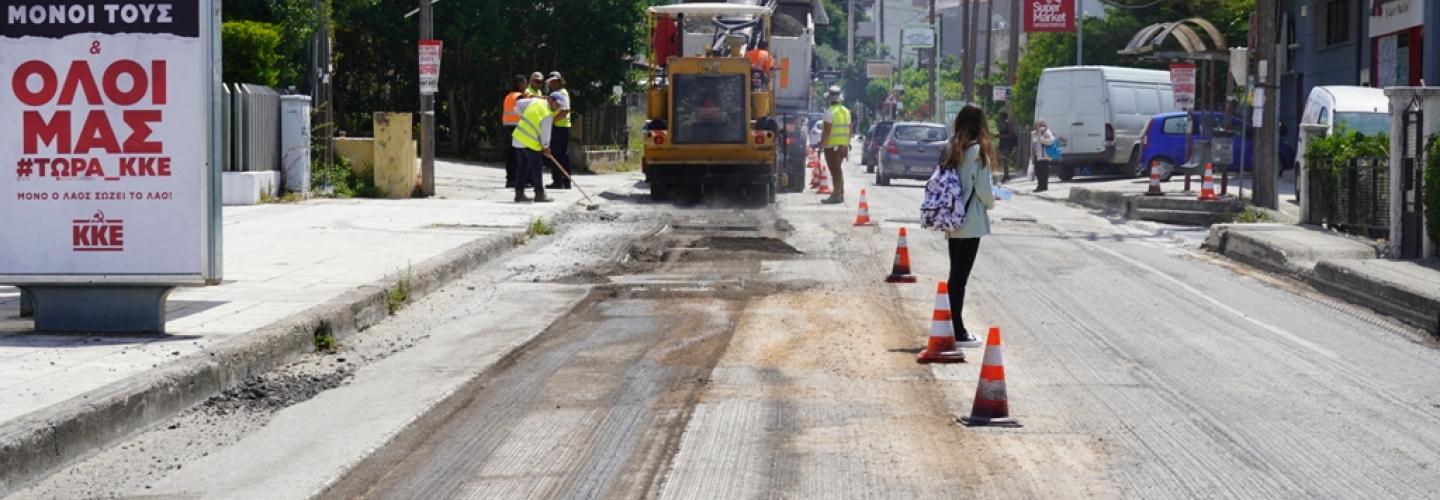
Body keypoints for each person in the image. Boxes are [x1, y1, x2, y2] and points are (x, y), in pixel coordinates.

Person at [938, 105, 997, 347]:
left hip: (952, 220)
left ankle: (950, 325)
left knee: (955, 275)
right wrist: (992, 201)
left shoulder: (952, 148)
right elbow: (985, 192)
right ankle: (958, 331)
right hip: (971, 221)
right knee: (960, 278)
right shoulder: (977, 152)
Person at [511, 93, 561, 203]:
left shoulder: (536, 101)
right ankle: (539, 194)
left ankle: (519, 194)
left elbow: (518, 104)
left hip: (519, 138)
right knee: (536, 168)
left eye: (559, 106)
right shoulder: (548, 113)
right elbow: (546, 133)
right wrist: (546, 147)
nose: (557, 107)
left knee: (521, 167)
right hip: (530, 142)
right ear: (551, 100)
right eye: (556, 104)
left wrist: (522, 116)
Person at [819, 86, 851, 204]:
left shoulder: (829, 112)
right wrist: (846, 145)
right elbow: (849, 129)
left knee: (835, 170)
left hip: (832, 147)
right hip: (842, 145)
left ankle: (836, 195)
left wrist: (821, 146)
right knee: (838, 170)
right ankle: (840, 193)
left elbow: (826, 131)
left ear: (829, 99)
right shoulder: (846, 111)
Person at [546, 72, 573, 190]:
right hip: (561, 127)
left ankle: (558, 181)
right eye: (550, 82)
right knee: (563, 155)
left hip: (560, 127)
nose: (552, 84)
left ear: (559, 81)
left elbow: (565, 110)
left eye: (554, 81)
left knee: (557, 155)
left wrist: (552, 121)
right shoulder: (557, 93)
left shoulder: (561, 93)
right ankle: (566, 181)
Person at [501, 75, 526, 188]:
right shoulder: (520, 97)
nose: (525, 86)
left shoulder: (508, 96)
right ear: (520, 84)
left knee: (509, 155)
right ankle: (518, 180)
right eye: (524, 83)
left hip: (507, 127)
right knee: (518, 155)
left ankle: (510, 179)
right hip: (517, 127)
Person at [1029, 119, 1056, 192]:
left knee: (1044, 172)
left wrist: (1043, 139)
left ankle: (1043, 186)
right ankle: (1040, 185)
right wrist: (1032, 157)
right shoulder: (1034, 133)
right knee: (1037, 171)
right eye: (1037, 124)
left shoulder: (1046, 132)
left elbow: (1052, 140)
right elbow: (1032, 146)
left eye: (1040, 124)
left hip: (1045, 156)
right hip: (1037, 156)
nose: (1038, 126)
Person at [996, 112, 1017, 182]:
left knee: (1005, 159)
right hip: (1003, 143)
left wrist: (1000, 136)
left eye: (1001, 117)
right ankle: (1005, 175)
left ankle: (1006, 176)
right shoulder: (1003, 124)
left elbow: (1011, 135)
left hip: (1007, 144)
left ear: (1004, 117)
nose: (1000, 118)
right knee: (1003, 159)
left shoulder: (1008, 123)